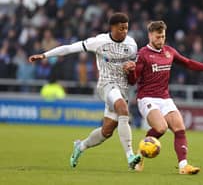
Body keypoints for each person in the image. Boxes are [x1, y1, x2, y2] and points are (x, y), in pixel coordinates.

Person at [28, 13, 141, 170]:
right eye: (121, 28)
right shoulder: (99, 41)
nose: (124, 32)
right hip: (106, 85)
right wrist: (45, 55)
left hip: (123, 88)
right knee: (123, 109)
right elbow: (69, 48)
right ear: (112, 27)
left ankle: (80, 146)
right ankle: (130, 157)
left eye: (126, 28)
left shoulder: (132, 44)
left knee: (106, 132)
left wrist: (132, 69)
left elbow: (134, 72)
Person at [124, 21, 203, 174]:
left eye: (163, 37)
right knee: (162, 128)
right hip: (147, 98)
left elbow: (188, 63)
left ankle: (183, 166)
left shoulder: (169, 51)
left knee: (180, 128)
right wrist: (130, 71)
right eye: (158, 37)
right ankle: (141, 154)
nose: (161, 40)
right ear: (150, 35)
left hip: (165, 98)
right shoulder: (143, 54)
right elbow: (132, 81)